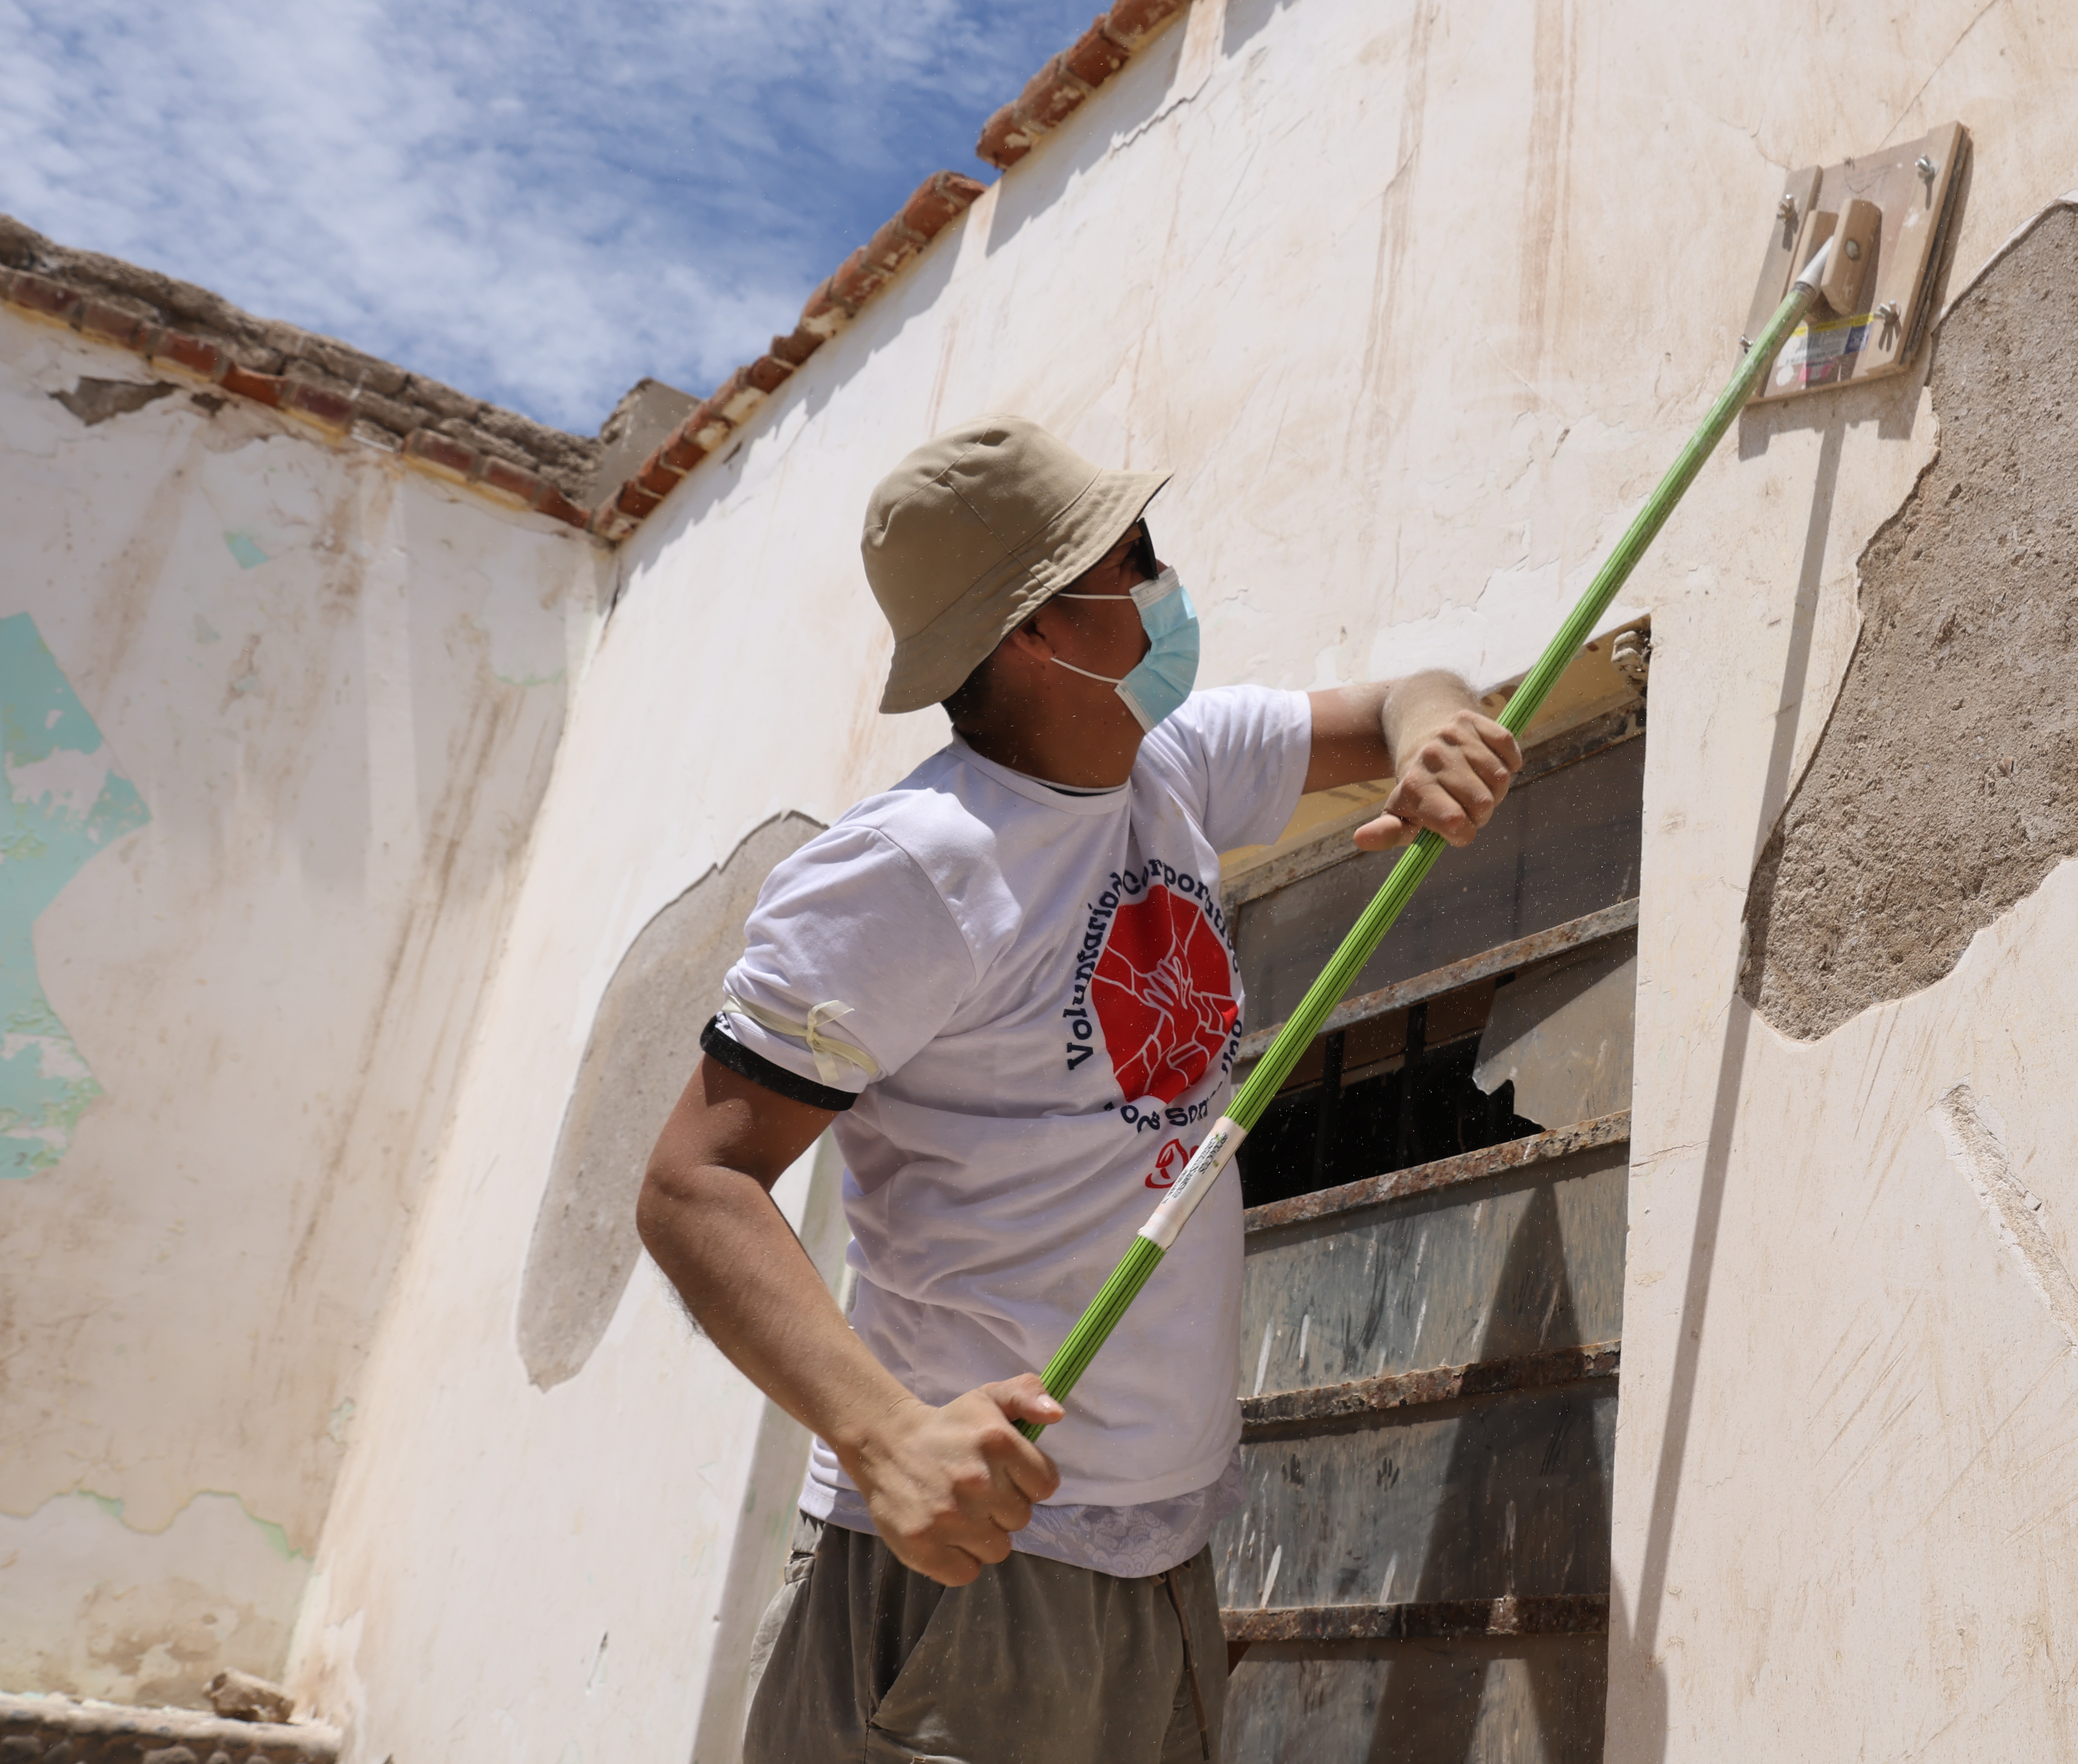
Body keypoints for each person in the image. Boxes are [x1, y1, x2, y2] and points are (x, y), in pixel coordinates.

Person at [637, 414, 1522, 1762]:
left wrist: (1440, 722)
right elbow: (693, 1183)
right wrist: (885, 1440)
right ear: (1040, 633)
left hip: (1159, 1560)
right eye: (1138, 560)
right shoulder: (917, 867)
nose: (1169, 588)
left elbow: (1402, 698)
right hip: (970, 1574)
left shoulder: (1172, 767)